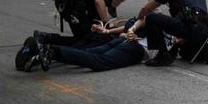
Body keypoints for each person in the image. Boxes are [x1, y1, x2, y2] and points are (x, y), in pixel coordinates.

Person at [132, 0, 208, 66]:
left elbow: (146, 8)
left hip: (191, 28)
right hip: (206, 31)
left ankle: (162, 57)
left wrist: (137, 20)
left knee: (151, 18)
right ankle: (205, 50)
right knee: (185, 53)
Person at [15, 18, 152, 72]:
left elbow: (142, 19)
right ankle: (49, 51)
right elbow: (144, 19)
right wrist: (130, 30)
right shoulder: (168, 24)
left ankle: (37, 51)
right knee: (100, 62)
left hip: (123, 41)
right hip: (135, 48)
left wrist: (110, 31)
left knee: (88, 53)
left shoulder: (165, 23)